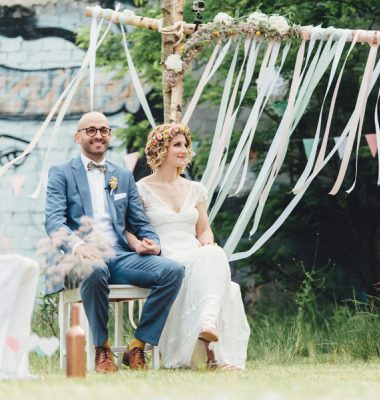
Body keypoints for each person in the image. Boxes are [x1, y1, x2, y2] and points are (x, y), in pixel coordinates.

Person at [45, 112, 185, 373]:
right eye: (91, 130)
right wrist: (77, 245)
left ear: (109, 135)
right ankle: (102, 348)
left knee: (172, 271)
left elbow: (140, 222)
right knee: (95, 268)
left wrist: (151, 242)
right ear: (78, 136)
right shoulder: (61, 173)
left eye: (104, 130)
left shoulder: (122, 175)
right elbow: (54, 222)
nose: (98, 135)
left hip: (121, 256)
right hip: (80, 259)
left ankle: (137, 346)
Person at [127, 123, 250, 370]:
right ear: (161, 149)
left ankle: (208, 328)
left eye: (186, 145)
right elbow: (129, 229)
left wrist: (206, 239)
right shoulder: (141, 189)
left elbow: (203, 229)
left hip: (193, 249)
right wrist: (140, 245)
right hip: (165, 256)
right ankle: (210, 355)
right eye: (177, 145)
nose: (185, 150)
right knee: (212, 264)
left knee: (214, 253)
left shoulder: (195, 189)